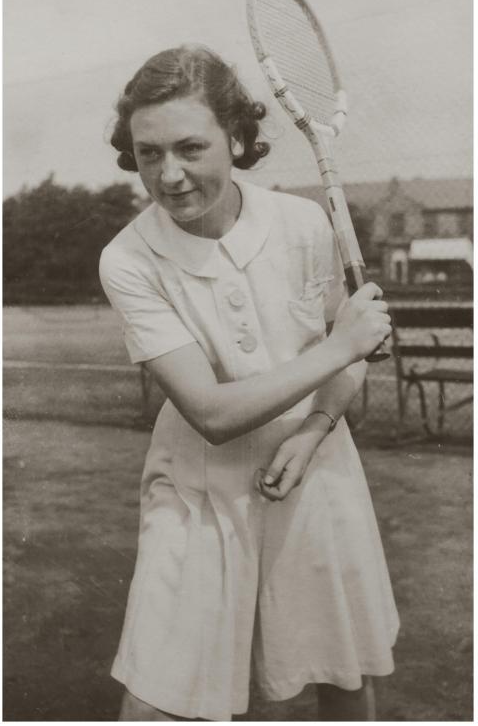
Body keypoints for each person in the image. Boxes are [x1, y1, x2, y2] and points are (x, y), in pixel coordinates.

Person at [99, 44, 399, 722]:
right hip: (196, 488)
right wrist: (344, 345)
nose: (169, 174)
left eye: (190, 147)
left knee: (342, 674)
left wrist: (319, 427)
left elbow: (347, 354)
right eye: (149, 153)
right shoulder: (126, 261)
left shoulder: (302, 224)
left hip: (314, 470)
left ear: (236, 137)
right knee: (158, 698)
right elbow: (210, 411)